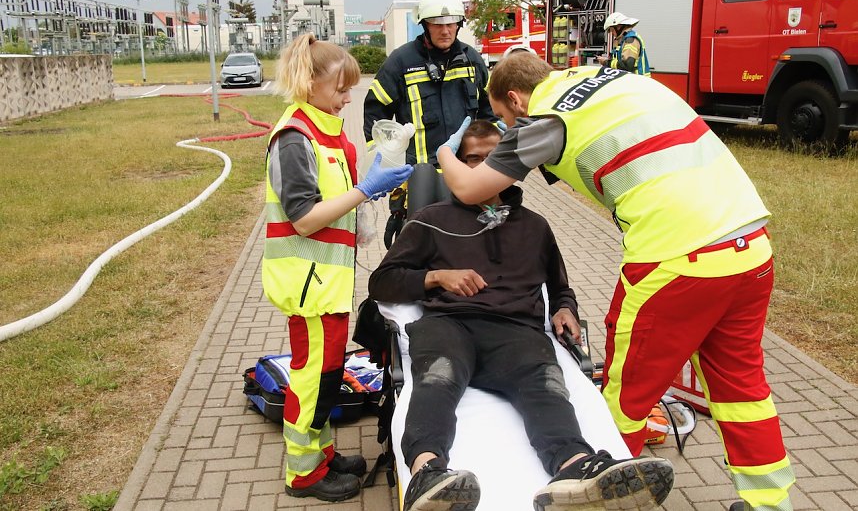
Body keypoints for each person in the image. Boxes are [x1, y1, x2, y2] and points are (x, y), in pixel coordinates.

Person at [436, 51, 795, 511]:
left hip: (677, 260)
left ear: (515, 99)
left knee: (626, 395)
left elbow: (468, 188)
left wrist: (444, 151)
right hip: (750, 248)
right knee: (742, 388)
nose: (508, 129)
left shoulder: (544, 118)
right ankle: (770, 503)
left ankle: (596, 496)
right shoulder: (611, 79)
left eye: (504, 119)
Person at [368, 119, 675, 511]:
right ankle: (427, 474)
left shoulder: (535, 227)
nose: (484, 167)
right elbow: (382, 282)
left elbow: (560, 287)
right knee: (437, 380)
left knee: (545, 387)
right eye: (473, 159)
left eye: (493, 158)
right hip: (450, 324)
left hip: (516, 331)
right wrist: (436, 277)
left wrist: (564, 309)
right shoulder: (432, 219)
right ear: (458, 165)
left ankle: (577, 470)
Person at [263, 32, 413, 502]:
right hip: (308, 285)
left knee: (327, 375)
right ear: (309, 83)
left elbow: (335, 196)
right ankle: (304, 474)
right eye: (340, 89)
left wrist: (368, 187)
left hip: (326, 282)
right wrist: (365, 190)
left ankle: (322, 455)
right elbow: (304, 218)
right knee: (312, 379)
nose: (348, 98)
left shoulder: (323, 128)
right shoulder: (294, 138)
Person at [363, 0, 496, 167]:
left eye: (450, 24)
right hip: (420, 173)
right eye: (437, 24)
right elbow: (375, 113)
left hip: (466, 170)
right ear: (425, 25)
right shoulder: (401, 62)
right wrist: (383, 159)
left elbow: (491, 109)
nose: (445, 31)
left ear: (459, 24)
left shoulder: (472, 60)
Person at [597, 11, 651, 76]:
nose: (612, 33)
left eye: (612, 30)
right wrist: (607, 60)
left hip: (638, 79)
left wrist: (606, 62)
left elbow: (627, 65)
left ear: (618, 27)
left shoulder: (630, 40)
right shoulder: (622, 40)